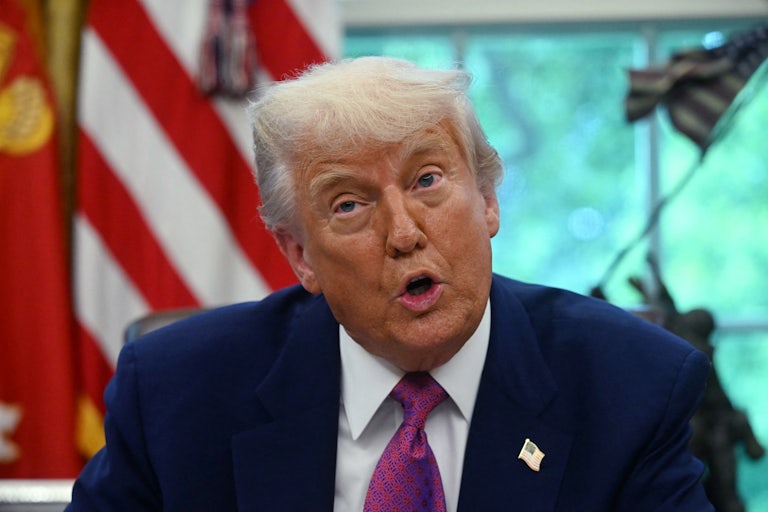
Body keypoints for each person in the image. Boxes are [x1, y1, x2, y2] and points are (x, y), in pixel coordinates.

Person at [66, 56, 713, 511]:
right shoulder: (177, 394)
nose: (403, 234)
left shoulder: (631, 387)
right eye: (349, 204)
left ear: (488, 200)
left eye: (427, 180)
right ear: (300, 254)